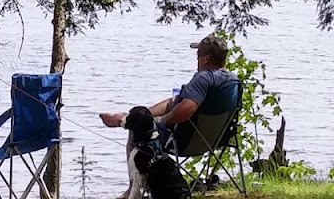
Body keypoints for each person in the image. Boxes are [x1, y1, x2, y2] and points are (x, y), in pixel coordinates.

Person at [99, 33, 238, 145]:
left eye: (198, 56)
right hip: (217, 139)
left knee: (136, 130)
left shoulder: (203, 78)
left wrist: (162, 121)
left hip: (187, 141)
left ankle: (137, 179)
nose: (197, 59)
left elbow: (186, 110)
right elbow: (175, 102)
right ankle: (128, 117)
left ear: (206, 59)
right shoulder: (233, 81)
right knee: (170, 102)